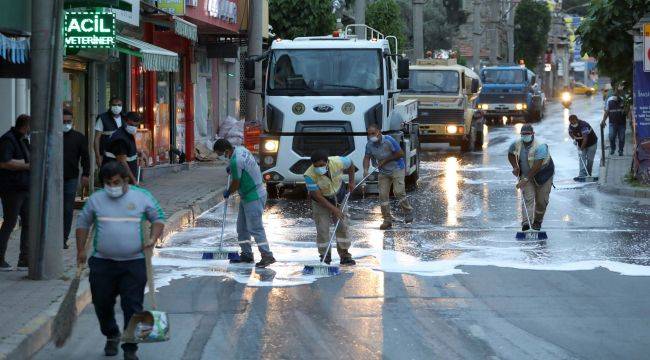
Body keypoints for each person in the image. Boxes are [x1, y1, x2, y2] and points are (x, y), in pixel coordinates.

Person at [76, 161, 165, 360]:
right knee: (101, 303)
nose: (112, 187)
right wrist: (81, 250)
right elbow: (82, 223)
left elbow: (158, 218)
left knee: (132, 306)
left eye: (116, 182)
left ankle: (130, 348)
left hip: (134, 263)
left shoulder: (142, 197)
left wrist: (152, 238)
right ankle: (112, 334)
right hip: (102, 262)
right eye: (108, 183)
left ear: (126, 180)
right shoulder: (96, 199)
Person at [213, 139, 276, 268]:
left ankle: (267, 255)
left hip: (254, 195)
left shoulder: (236, 161)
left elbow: (236, 182)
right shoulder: (241, 150)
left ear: (226, 151)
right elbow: (243, 167)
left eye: (221, 154)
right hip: (247, 195)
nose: (222, 157)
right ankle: (246, 254)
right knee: (242, 227)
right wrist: (232, 168)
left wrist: (228, 192)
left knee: (255, 227)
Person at [304, 149, 356, 265]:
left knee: (342, 225)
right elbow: (317, 196)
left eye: (322, 165)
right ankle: (325, 256)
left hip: (339, 196)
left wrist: (352, 182)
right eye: (316, 166)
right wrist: (334, 210)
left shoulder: (337, 162)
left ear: (327, 162)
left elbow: (351, 164)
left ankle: (344, 254)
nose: (319, 168)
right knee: (322, 229)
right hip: (320, 201)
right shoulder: (309, 175)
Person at [363, 124, 413, 230]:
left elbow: (400, 153)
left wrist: (385, 160)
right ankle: (387, 220)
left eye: (373, 133)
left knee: (399, 192)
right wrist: (365, 170)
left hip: (397, 169)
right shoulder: (369, 145)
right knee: (383, 195)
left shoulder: (389, 140)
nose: (371, 136)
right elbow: (366, 157)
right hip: (383, 172)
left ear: (379, 132)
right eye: (369, 134)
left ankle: (408, 211)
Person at [507, 124, 555, 231]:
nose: (525, 136)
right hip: (526, 173)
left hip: (543, 175)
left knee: (542, 201)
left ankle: (537, 222)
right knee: (528, 199)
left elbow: (537, 166)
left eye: (528, 134)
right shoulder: (517, 144)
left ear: (533, 134)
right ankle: (526, 223)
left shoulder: (540, 146)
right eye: (523, 134)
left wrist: (525, 180)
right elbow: (510, 154)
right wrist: (515, 166)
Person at [0, 114, 30, 271]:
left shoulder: (22, 139)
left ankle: (24, 259)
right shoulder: (8, 139)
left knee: (28, 222)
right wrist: (27, 165)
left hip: (24, 187)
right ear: (25, 126)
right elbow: (5, 162)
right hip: (12, 189)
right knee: (10, 222)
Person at [62, 109, 90, 249]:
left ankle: (63, 238)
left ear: (72, 121)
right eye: (63, 121)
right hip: (53, 179)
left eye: (68, 121)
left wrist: (86, 174)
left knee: (67, 209)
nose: (66, 124)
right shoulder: (54, 135)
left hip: (71, 177)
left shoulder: (78, 137)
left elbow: (85, 157)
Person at [105, 112, 141, 184]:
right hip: (118, 178)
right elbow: (122, 162)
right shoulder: (120, 139)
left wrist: (139, 152)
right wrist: (133, 180)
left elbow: (127, 151)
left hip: (123, 177)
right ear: (125, 121)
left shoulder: (127, 134)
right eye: (131, 125)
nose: (134, 127)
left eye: (136, 125)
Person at [94, 97, 125, 168]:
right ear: (110, 105)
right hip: (107, 157)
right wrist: (98, 156)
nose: (117, 107)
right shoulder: (103, 118)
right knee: (107, 177)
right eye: (114, 105)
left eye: (119, 105)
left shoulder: (125, 118)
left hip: (122, 156)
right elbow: (96, 139)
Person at [568, 114, 598, 180]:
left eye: (574, 122)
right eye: (571, 122)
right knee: (582, 159)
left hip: (591, 143)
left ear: (577, 120)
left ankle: (589, 174)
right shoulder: (571, 126)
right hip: (581, 143)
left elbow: (585, 139)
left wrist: (581, 149)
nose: (573, 124)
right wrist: (574, 139)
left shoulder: (583, 125)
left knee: (590, 160)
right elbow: (570, 132)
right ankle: (582, 175)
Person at [602, 85, 628, 156]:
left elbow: (627, 111)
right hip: (612, 123)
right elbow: (607, 111)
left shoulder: (623, 99)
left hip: (622, 123)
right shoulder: (610, 100)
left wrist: (624, 110)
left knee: (622, 138)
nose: (617, 93)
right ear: (614, 92)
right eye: (616, 91)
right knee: (611, 136)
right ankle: (613, 148)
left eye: (619, 92)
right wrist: (603, 121)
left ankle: (620, 151)